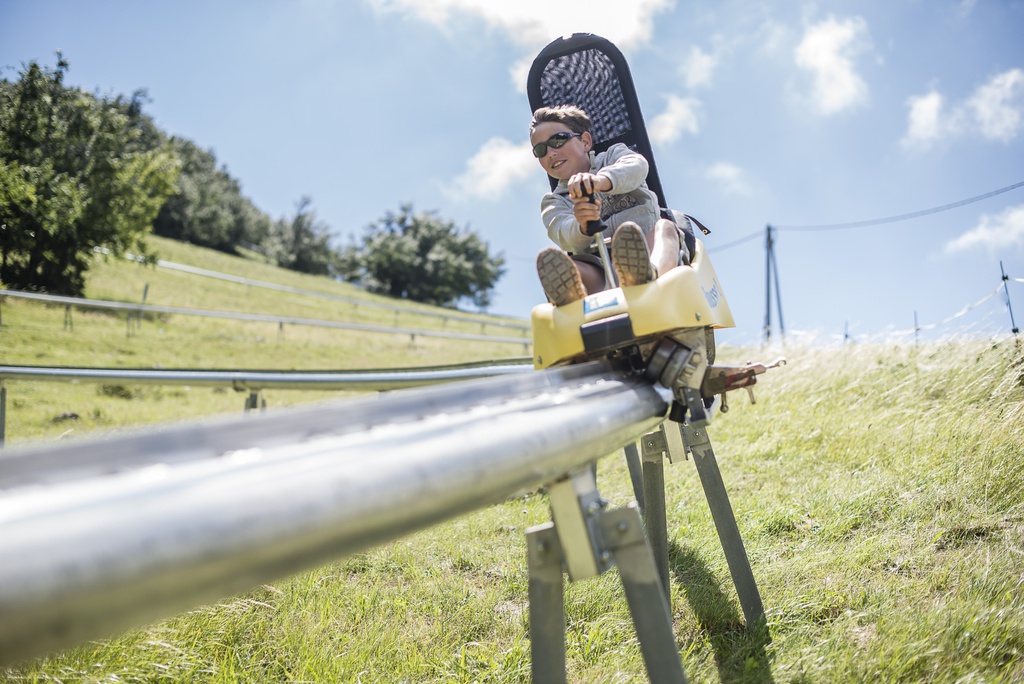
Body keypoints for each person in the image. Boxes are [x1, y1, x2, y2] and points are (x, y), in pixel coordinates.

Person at [530, 104, 688, 306]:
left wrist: (601, 181)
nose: (550, 153)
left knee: (665, 228)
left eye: (558, 140)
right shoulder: (554, 201)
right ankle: (574, 296)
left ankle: (650, 273)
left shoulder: (614, 156)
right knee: (574, 266)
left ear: (585, 141)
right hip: (600, 268)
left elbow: (636, 167)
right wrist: (582, 225)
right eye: (540, 150)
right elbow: (564, 234)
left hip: (646, 244)